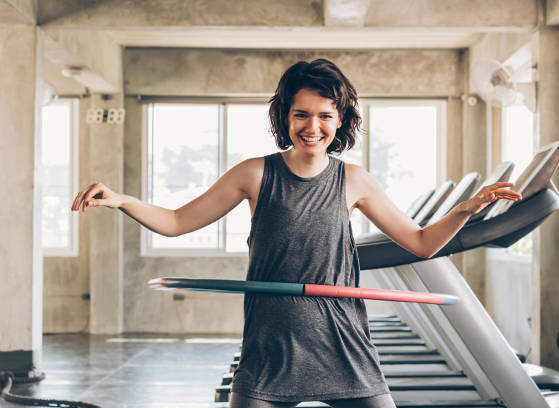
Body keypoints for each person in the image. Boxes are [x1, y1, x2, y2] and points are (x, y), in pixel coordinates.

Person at [71, 59, 521, 408]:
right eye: (300, 114)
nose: (312, 127)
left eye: (325, 115)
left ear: (341, 119)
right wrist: (123, 200)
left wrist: (468, 208)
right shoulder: (254, 173)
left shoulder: (354, 181)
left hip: (343, 343)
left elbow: (422, 244)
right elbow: (175, 222)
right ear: (283, 117)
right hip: (270, 345)